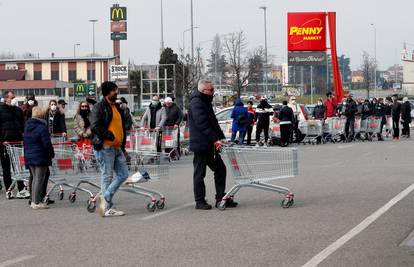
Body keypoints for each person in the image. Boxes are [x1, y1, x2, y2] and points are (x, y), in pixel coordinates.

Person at [188, 79, 237, 210]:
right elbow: (202, 124)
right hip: (200, 144)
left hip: (209, 143)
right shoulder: (196, 102)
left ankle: (221, 198)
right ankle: (199, 201)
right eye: (211, 90)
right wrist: (215, 139)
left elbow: (213, 122)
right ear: (202, 90)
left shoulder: (205, 101)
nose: (213, 92)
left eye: (213, 90)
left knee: (220, 169)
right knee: (200, 173)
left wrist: (221, 137)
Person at [90, 81, 128, 217]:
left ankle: (104, 198)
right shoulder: (99, 107)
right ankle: (107, 208)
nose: (116, 92)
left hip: (117, 148)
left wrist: (123, 146)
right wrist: (109, 135)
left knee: (123, 174)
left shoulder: (116, 108)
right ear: (107, 92)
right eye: (114, 90)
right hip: (105, 147)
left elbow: (122, 127)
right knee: (107, 176)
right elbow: (94, 126)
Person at [0, 91, 29, 199]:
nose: (13, 99)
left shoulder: (18, 110)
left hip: (17, 142)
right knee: (6, 167)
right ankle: (9, 189)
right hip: (4, 143)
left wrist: (23, 136)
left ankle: (21, 189)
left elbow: (23, 124)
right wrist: (2, 139)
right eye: (12, 97)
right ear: (6, 98)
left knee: (18, 166)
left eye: (14, 97)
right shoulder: (1, 110)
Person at [24, 107, 55, 210]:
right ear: (41, 115)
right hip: (40, 156)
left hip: (30, 155)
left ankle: (33, 200)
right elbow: (47, 144)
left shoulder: (27, 127)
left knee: (34, 179)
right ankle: (36, 202)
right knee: (39, 179)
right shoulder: (42, 128)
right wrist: (51, 154)